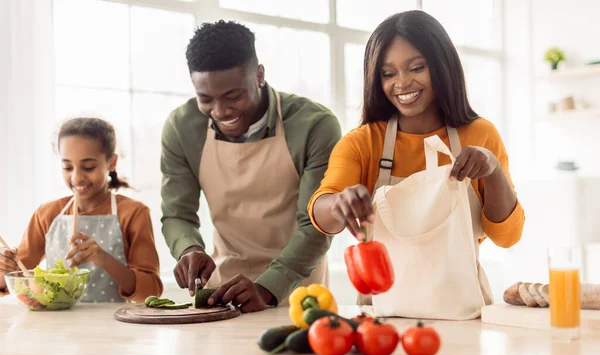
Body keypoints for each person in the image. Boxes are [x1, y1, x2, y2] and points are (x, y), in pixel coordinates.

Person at [309, 11, 525, 319]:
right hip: (380, 315)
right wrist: (338, 203)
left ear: (442, 66)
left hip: (466, 312)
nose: (402, 83)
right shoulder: (362, 142)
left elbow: (507, 237)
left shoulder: (479, 135)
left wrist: (493, 170)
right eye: (388, 73)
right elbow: (322, 213)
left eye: (416, 67)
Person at [161, 20, 341, 312]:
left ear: (259, 75)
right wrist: (189, 249)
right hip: (223, 293)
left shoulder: (315, 125)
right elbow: (176, 213)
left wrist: (267, 288)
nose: (220, 111)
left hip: (300, 294)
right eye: (205, 99)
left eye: (233, 96)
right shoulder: (182, 127)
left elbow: (315, 225)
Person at [0, 118, 163, 303]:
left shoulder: (134, 213)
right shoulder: (47, 214)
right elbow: (16, 276)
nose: (76, 177)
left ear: (112, 162)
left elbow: (151, 291)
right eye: (67, 167)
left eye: (88, 167)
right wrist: (5, 268)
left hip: (115, 328)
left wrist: (104, 260)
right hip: (58, 329)